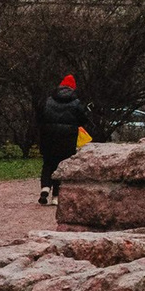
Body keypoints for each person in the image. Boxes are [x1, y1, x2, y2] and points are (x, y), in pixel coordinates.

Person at [36, 75, 90, 206]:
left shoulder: (48, 100)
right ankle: (56, 196)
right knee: (62, 165)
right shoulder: (76, 103)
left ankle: (45, 187)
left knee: (48, 163)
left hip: (48, 136)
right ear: (73, 88)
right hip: (67, 138)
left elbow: (40, 116)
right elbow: (83, 120)